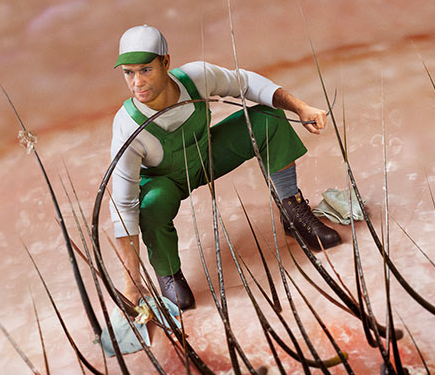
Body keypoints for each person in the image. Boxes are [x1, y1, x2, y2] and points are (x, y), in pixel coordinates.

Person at [106, 25, 343, 311]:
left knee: (269, 119)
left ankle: (293, 213)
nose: (137, 83)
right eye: (128, 73)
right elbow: (124, 205)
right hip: (165, 181)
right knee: (151, 204)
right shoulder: (127, 126)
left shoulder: (196, 78)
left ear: (165, 62)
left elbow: (246, 83)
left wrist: (301, 107)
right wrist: (132, 283)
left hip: (205, 156)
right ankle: (168, 273)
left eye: (146, 70)